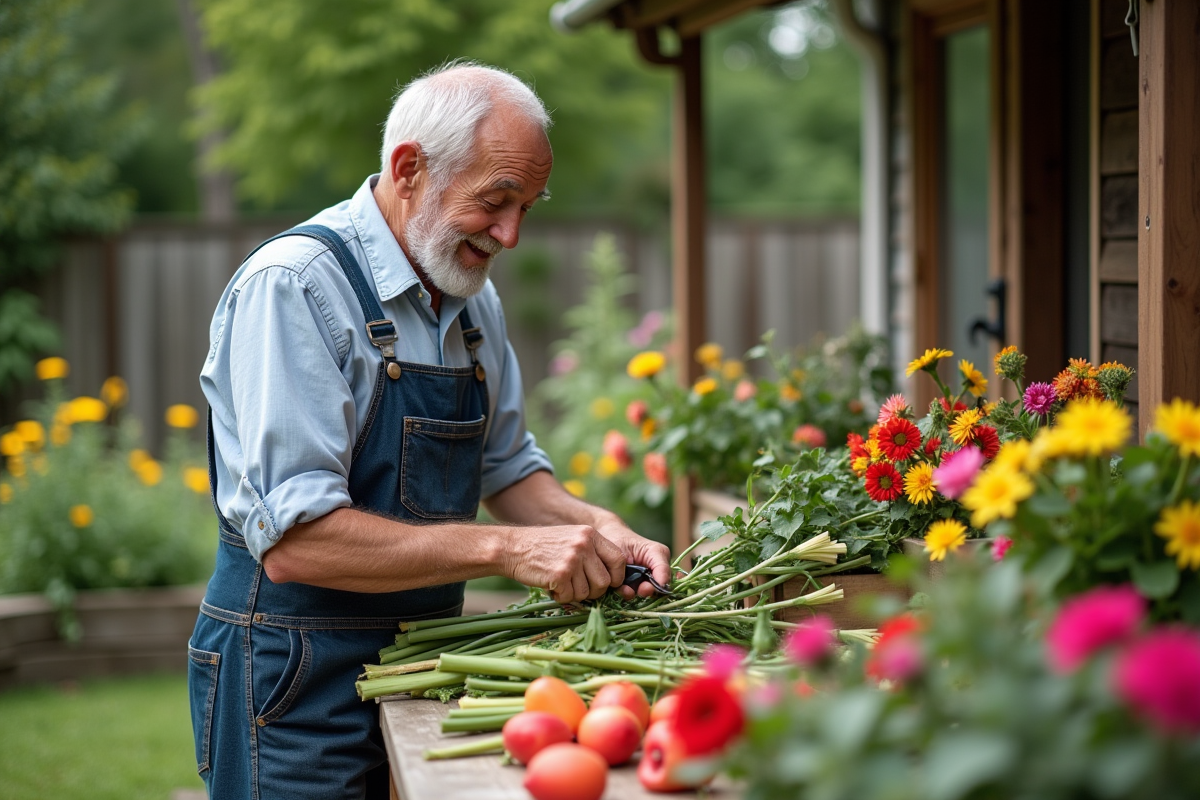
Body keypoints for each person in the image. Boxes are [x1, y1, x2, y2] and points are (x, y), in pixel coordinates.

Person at [188, 62, 671, 800]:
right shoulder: (295, 288)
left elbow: (507, 470)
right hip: (289, 679)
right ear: (409, 168)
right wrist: (511, 551)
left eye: (528, 207)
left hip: (426, 669)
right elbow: (295, 540)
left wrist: (598, 529)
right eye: (496, 200)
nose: (511, 234)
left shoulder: (472, 302)